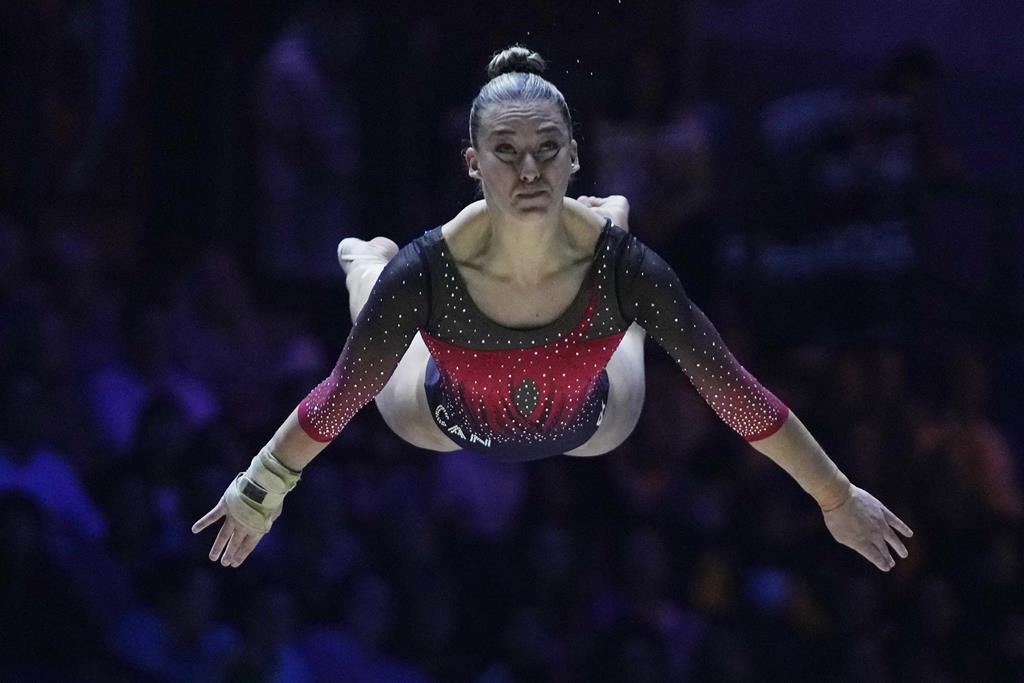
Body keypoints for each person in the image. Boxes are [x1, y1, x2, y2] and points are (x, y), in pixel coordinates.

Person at [193, 46, 913, 573]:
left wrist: (836, 495)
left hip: (597, 418)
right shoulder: (431, 269)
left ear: (574, 155)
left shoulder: (626, 267)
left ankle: (610, 217)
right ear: (472, 162)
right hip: (440, 419)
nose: (529, 169)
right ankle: (365, 261)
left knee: (623, 295)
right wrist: (259, 491)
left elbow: (731, 388)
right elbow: (338, 394)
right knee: (377, 307)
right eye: (505, 151)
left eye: (547, 149)